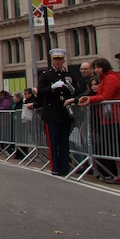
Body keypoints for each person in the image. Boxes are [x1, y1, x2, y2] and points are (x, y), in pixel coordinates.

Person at [78, 58, 120, 185]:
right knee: (117, 150)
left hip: (116, 118)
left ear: (104, 67)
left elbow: (106, 96)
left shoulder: (110, 78)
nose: (96, 70)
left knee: (118, 150)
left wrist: (89, 99)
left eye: (98, 67)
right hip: (110, 118)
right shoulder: (106, 79)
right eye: (95, 68)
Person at [36, 48, 77, 176]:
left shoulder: (68, 76)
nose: (58, 62)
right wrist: (51, 88)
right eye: (56, 59)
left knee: (64, 142)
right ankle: (55, 167)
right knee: (54, 142)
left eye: (60, 59)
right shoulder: (46, 75)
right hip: (52, 113)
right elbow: (40, 92)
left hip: (65, 113)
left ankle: (64, 166)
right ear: (52, 60)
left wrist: (72, 91)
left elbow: (76, 91)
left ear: (63, 60)